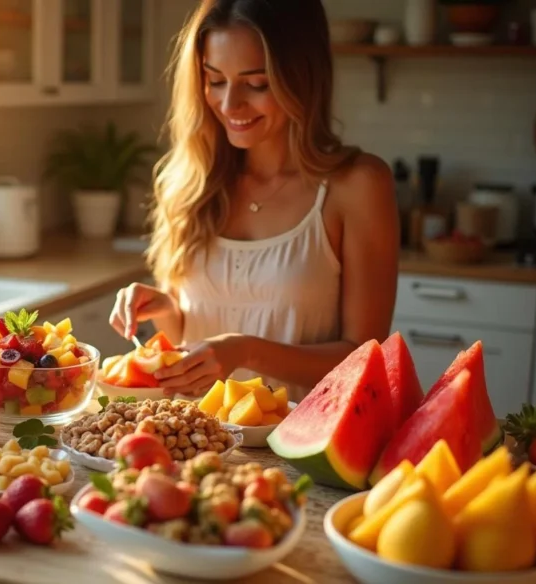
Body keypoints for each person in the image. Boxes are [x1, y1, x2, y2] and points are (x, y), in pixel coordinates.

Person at [109, 0, 400, 402]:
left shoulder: (357, 186)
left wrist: (247, 351)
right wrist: (165, 311)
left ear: (302, 79)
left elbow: (365, 356)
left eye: (257, 83)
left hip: (298, 449)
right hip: (192, 439)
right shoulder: (188, 182)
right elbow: (190, 339)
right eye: (214, 80)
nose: (229, 105)